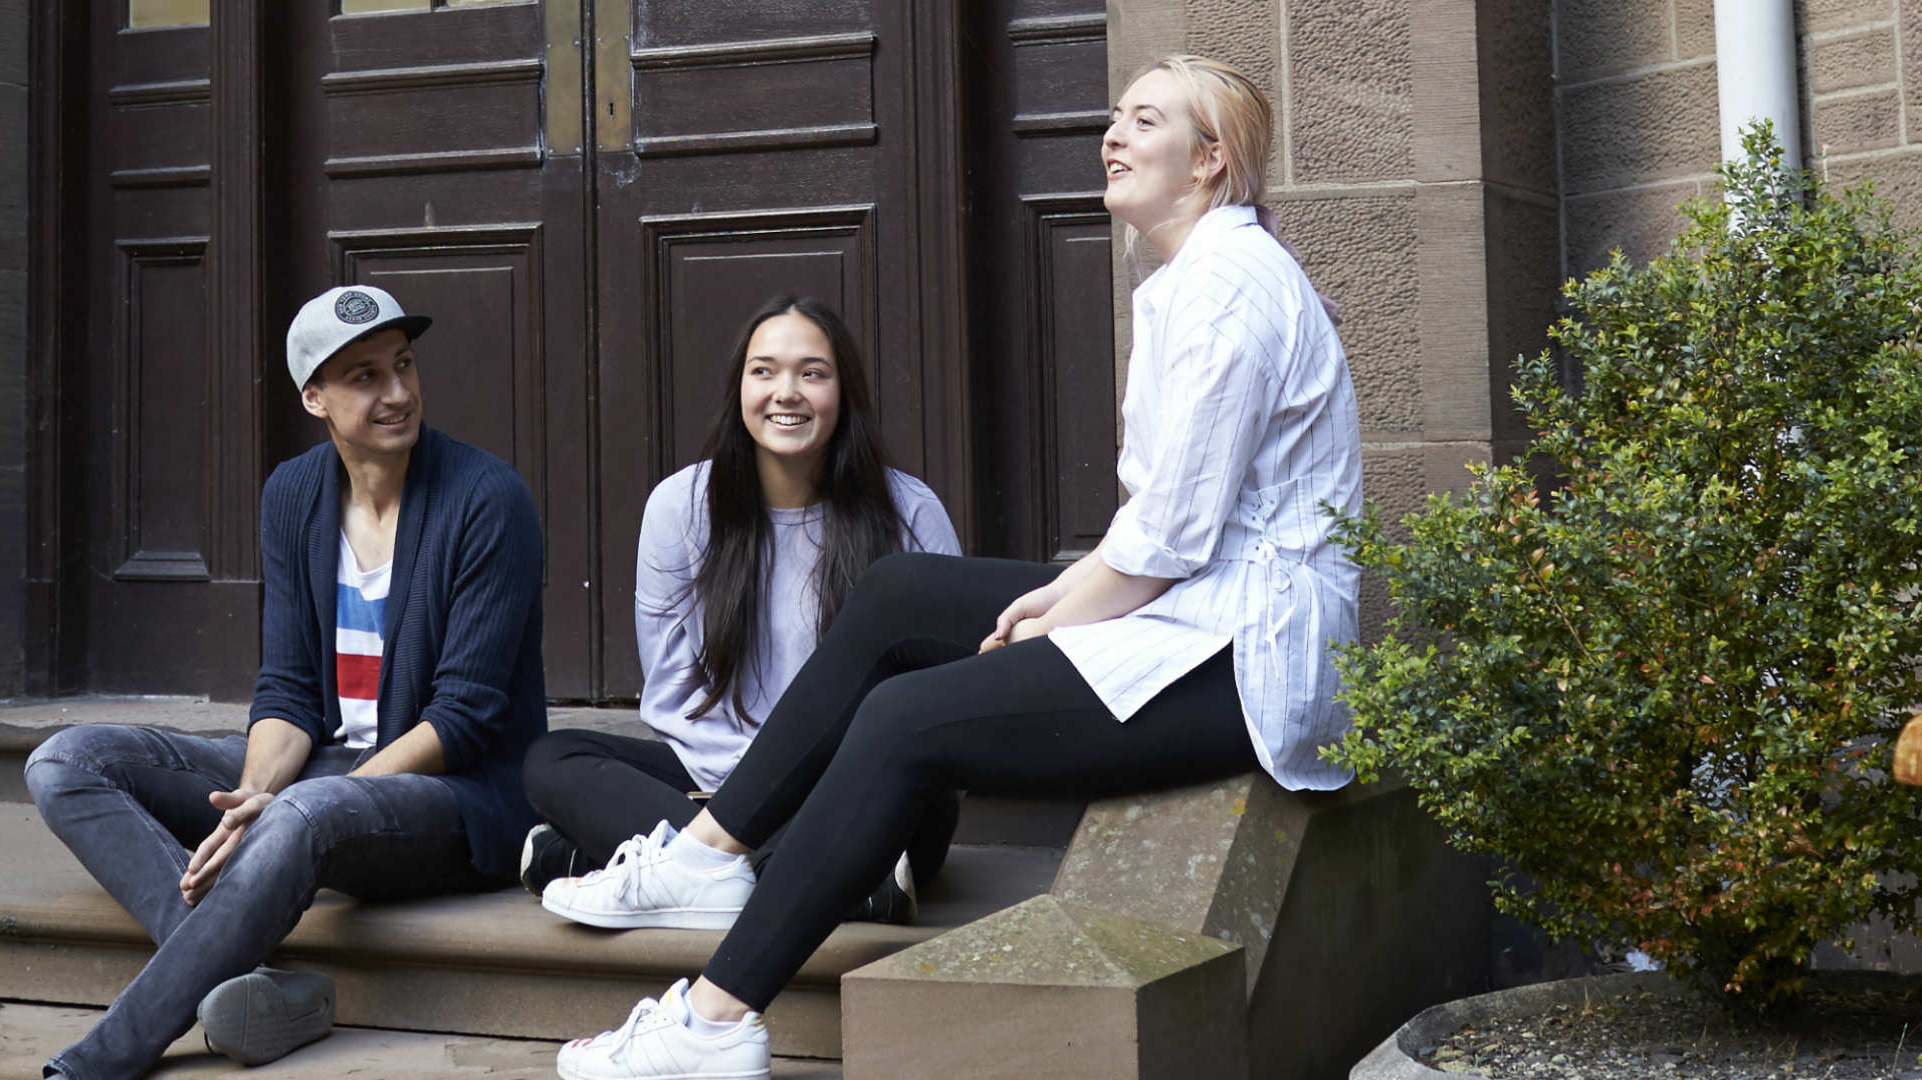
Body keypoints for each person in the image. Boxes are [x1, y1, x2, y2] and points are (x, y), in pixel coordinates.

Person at [548, 55, 1363, 1080]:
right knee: (901, 593)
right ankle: (708, 854)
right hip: (1194, 609)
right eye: (1114, 115)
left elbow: (1172, 536)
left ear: (1208, 162)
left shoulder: (1228, 289)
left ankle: (714, 1022)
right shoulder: (1198, 276)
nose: (1111, 136)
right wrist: (1059, 597)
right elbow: (1164, 527)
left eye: (1144, 121)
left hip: (1245, 660)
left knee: (904, 720)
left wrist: (1059, 621)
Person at [24, 284, 546, 1079]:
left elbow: (464, 719)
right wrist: (250, 802)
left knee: (305, 810)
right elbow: (289, 691)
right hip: (326, 773)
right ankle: (242, 985)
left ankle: (99, 1060)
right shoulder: (294, 495)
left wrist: (305, 806)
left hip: (460, 797)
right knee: (67, 760)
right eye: (365, 376)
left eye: (403, 365)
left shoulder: (486, 499)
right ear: (315, 398)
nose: (397, 392)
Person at [518, 297, 962, 928]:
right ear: (739, 389)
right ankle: (811, 877)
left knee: (925, 803)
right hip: (717, 779)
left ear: (844, 392)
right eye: (764, 371)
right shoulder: (681, 507)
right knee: (552, 760)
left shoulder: (908, 512)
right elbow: (674, 691)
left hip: (857, 782)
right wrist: (749, 800)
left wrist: (782, 792)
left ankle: (642, 864)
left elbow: (941, 694)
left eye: (813, 372)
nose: (787, 392)